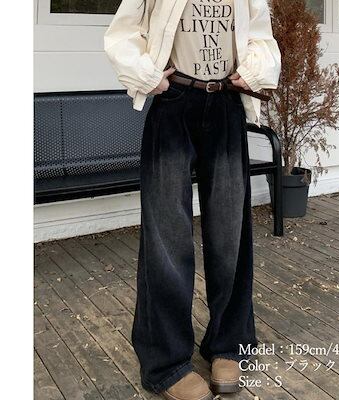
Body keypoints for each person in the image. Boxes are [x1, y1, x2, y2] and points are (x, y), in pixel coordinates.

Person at [104, 1, 281, 399]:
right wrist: (148, 76)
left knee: (230, 232)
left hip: (226, 103)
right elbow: (123, 32)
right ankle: (166, 362)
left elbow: (260, 36)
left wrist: (252, 71)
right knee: (167, 235)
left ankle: (229, 343)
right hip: (174, 101)